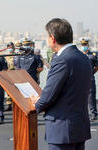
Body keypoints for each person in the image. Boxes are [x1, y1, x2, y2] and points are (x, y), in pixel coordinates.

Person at [31, 18, 92, 150]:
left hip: (62, 129)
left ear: (52, 38)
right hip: (79, 128)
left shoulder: (62, 60)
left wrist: (37, 103)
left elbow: (49, 95)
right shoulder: (83, 58)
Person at [80, 37, 98, 120]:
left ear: (88, 45)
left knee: (91, 97)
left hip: (90, 78)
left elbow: (96, 67)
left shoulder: (93, 55)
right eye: (83, 44)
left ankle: (93, 113)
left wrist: (91, 73)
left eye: (85, 44)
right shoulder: (79, 55)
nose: (84, 46)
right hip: (80, 79)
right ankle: (82, 114)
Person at [5, 42, 16, 111]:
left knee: (15, 90)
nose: (10, 48)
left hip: (15, 74)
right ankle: (9, 104)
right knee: (8, 90)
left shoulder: (17, 56)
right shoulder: (5, 56)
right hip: (7, 74)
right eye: (8, 47)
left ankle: (15, 104)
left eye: (11, 47)